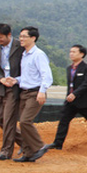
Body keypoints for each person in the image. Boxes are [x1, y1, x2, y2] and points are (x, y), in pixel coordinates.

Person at [44, 45, 87, 150]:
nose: (71, 54)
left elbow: (86, 84)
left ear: (82, 54)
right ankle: (58, 143)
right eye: (70, 52)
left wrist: (75, 94)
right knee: (64, 120)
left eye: (74, 52)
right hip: (70, 102)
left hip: (84, 101)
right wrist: (69, 95)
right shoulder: (69, 68)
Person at [11, 26, 53, 162]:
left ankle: (39, 146)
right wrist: (15, 80)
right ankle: (28, 154)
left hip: (35, 93)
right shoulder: (24, 54)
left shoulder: (38, 54)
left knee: (25, 121)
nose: (21, 39)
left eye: (24, 36)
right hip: (24, 92)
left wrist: (42, 91)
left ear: (33, 38)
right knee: (22, 122)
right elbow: (27, 76)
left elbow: (47, 75)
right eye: (20, 36)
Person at [0, 23, 24, 160]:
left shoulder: (19, 46)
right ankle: (26, 143)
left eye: (0, 37)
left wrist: (16, 80)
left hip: (15, 86)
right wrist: (1, 79)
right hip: (1, 86)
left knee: (9, 120)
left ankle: (6, 151)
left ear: (9, 35)